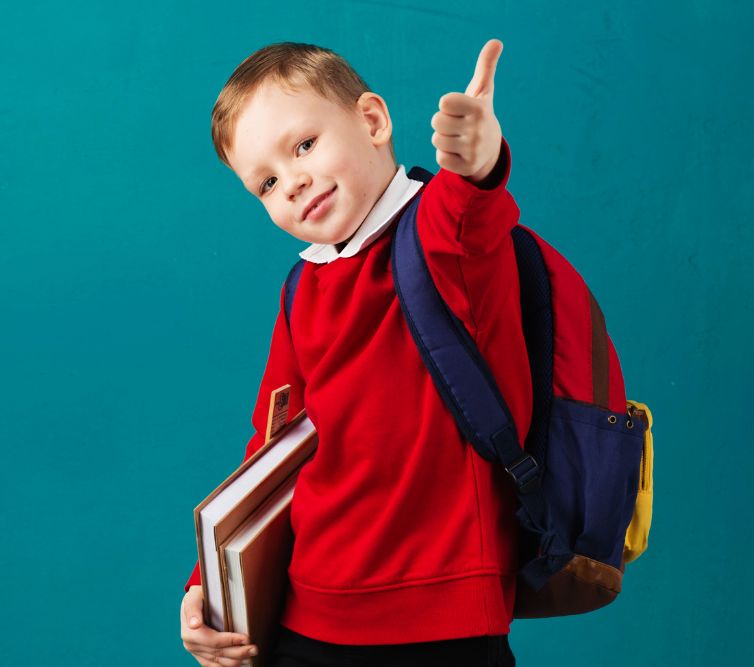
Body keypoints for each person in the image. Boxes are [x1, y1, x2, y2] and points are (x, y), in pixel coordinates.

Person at [180, 39, 529, 667]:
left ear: (372, 121)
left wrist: (479, 160)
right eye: (266, 182)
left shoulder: (441, 232)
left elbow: (471, 209)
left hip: (443, 615)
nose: (293, 182)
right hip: (308, 613)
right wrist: (208, 584)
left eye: (305, 145)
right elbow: (269, 453)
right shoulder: (302, 286)